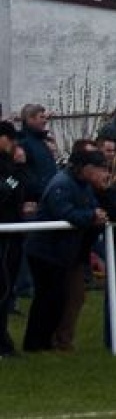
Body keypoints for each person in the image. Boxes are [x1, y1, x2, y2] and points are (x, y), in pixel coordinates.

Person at [22, 149, 109, 352]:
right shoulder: (61, 184)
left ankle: (47, 342)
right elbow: (64, 213)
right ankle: (36, 343)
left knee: (58, 298)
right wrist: (91, 216)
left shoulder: (83, 186)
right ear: (87, 168)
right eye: (101, 169)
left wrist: (95, 213)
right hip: (45, 251)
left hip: (62, 251)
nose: (104, 174)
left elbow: (91, 207)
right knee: (47, 298)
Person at [0, 121, 28, 356]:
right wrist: (15, 175)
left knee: (7, 288)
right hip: (4, 235)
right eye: (9, 139)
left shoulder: (10, 165)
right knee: (3, 287)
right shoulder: (6, 168)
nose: (14, 144)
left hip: (13, 233)